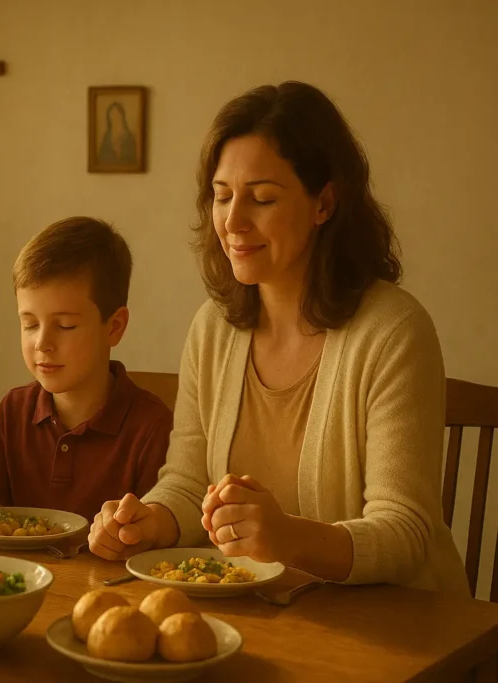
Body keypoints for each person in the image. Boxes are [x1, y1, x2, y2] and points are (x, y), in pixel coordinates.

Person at [88, 81, 468, 594]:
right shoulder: (213, 328)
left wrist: (289, 537)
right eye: (222, 197)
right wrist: (148, 520)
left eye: (262, 198)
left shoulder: (394, 332)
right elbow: (185, 481)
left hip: (400, 634)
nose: (234, 221)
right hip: (270, 618)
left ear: (325, 203)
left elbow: (405, 534)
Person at [0, 217, 173, 521]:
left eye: (65, 325)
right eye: (29, 324)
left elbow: (153, 538)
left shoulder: (151, 427)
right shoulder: (15, 410)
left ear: (114, 327)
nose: (42, 342)